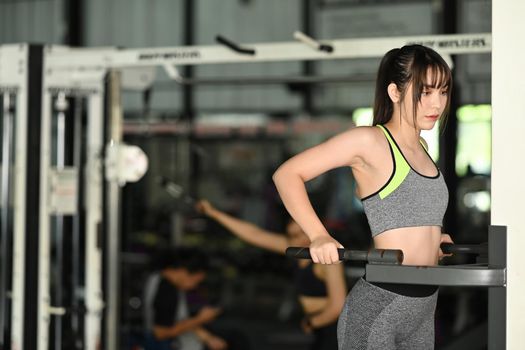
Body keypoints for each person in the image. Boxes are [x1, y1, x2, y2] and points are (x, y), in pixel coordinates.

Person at [272, 44, 454, 350]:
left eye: (443, 91)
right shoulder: (369, 141)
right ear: (395, 92)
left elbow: (409, 216)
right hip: (380, 305)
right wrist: (318, 235)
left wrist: (433, 239)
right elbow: (287, 175)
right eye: (425, 92)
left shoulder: (422, 149)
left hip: (424, 306)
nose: (437, 103)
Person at [196, 200, 347, 350]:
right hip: (318, 324)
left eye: (302, 233)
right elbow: (254, 235)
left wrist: (312, 322)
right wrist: (213, 213)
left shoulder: (328, 259)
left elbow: (337, 306)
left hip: (334, 325)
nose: (298, 240)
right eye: (292, 235)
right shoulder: (297, 249)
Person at [143, 247, 228, 350]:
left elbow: (178, 320)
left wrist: (207, 337)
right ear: (183, 271)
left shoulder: (161, 281)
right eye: (196, 281)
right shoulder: (166, 290)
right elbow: (161, 333)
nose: (194, 286)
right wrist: (200, 319)